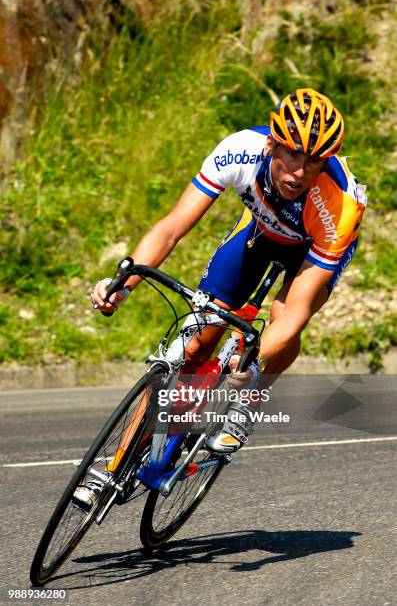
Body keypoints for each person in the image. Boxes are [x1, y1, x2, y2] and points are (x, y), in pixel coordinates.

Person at [91, 87, 367, 453]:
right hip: (261, 231)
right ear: (272, 144)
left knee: (283, 312)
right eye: (293, 153)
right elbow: (172, 228)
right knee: (194, 345)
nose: (300, 172)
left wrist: (254, 361)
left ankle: (247, 405)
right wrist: (123, 284)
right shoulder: (240, 151)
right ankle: (115, 465)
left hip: (313, 248)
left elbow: (297, 311)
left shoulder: (338, 206)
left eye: (315, 161)